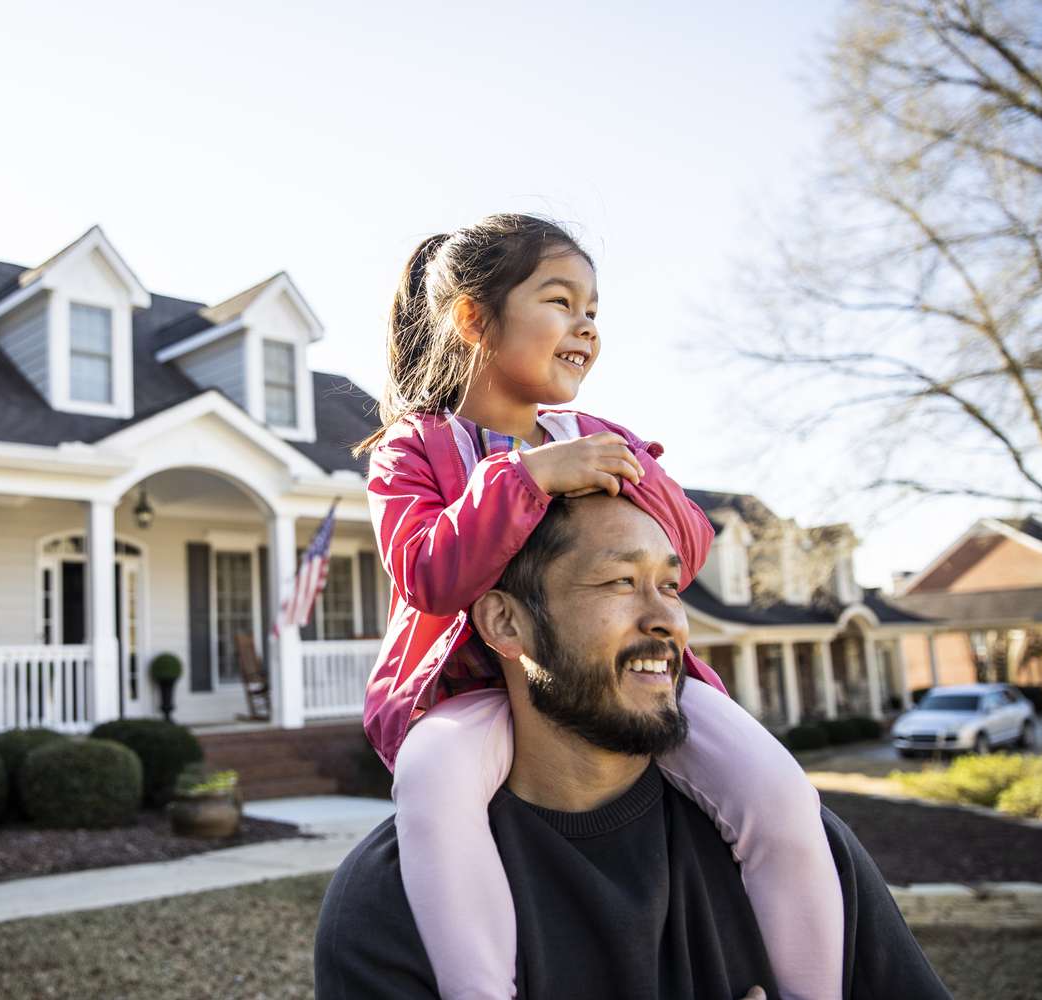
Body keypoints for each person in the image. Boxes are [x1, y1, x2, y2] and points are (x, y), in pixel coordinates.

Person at [354, 215, 842, 999]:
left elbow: (686, 542)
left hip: (625, 680)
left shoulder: (598, 434)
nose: (585, 325)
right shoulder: (414, 449)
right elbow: (427, 576)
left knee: (778, 792)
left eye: (593, 309)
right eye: (560, 300)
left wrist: (624, 473)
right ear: (473, 318)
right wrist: (527, 478)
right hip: (477, 691)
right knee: (431, 780)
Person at [316, 493, 951, 999]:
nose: (669, 619)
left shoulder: (799, 846)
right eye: (620, 581)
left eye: (669, 586)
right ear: (506, 622)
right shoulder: (391, 899)